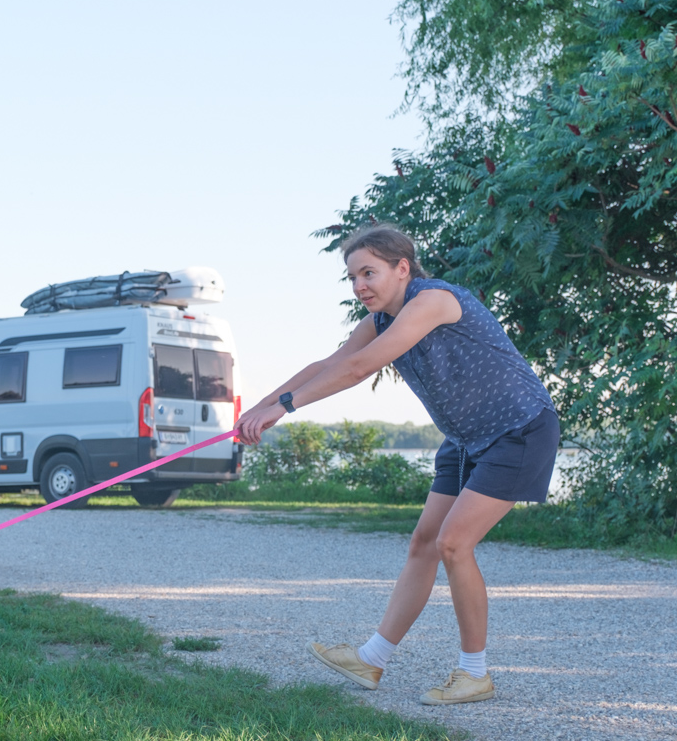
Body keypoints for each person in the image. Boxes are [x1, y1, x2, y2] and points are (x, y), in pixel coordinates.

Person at [233, 224, 559, 705]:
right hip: (466, 438)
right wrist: (260, 408)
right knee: (424, 542)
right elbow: (332, 362)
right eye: (352, 277)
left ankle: (475, 674)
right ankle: (372, 659)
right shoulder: (380, 320)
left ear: (402, 268)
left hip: (519, 429)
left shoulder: (433, 301)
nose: (360, 285)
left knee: (453, 543)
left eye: (369, 272)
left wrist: (287, 407)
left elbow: (358, 369)